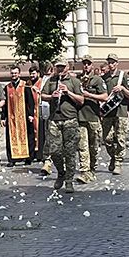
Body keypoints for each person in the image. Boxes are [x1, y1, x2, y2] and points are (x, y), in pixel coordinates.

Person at [41, 60, 84, 193]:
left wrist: (68, 92)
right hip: (54, 119)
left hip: (70, 119)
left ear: (67, 68)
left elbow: (81, 100)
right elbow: (42, 95)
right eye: (58, 67)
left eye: (62, 67)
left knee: (70, 152)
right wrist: (50, 96)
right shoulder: (51, 80)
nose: (60, 69)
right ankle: (61, 172)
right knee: (54, 151)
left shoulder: (74, 82)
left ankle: (69, 181)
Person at [3, 64, 39, 166]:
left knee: (28, 136)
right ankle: (12, 159)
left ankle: (28, 157)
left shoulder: (25, 86)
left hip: (24, 116)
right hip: (12, 117)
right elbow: (5, 103)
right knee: (10, 137)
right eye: (12, 73)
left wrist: (31, 114)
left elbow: (30, 101)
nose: (14, 75)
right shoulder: (7, 87)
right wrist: (3, 117)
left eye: (15, 73)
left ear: (19, 74)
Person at [76, 57, 106, 182]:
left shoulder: (97, 80)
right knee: (82, 146)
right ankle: (84, 171)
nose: (86, 66)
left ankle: (92, 169)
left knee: (93, 147)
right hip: (81, 117)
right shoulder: (77, 80)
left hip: (93, 117)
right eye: (84, 64)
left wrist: (89, 95)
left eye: (88, 64)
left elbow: (105, 96)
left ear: (92, 65)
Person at [100, 54, 129, 175]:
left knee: (121, 138)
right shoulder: (104, 77)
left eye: (113, 62)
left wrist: (122, 88)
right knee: (106, 138)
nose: (111, 65)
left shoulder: (123, 76)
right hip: (108, 111)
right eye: (109, 63)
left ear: (117, 63)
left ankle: (118, 162)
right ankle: (113, 155)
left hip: (121, 111)